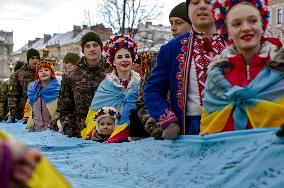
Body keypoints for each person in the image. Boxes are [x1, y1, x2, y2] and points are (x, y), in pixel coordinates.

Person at [144, 0, 226, 139]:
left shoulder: (233, 43)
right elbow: (152, 91)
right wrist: (168, 121)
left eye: (208, 1)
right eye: (195, 2)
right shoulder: (171, 49)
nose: (201, 6)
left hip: (232, 127)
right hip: (191, 129)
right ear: (188, 10)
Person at [200, 0, 284, 134]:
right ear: (227, 31)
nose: (246, 28)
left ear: (262, 25)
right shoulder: (216, 78)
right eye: (237, 24)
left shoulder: (281, 72)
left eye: (252, 21)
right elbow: (208, 129)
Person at [81, 34, 140, 143]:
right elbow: (94, 114)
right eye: (119, 57)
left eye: (127, 56)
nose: (124, 60)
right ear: (113, 61)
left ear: (132, 59)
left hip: (135, 135)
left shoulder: (140, 82)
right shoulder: (106, 85)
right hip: (107, 136)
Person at [52, 32, 112, 137]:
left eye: (95, 45)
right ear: (83, 50)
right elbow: (64, 109)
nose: (91, 49)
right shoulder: (71, 75)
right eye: (87, 46)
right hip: (80, 133)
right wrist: (71, 130)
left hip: (110, 131)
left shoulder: (113, 71)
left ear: (101, 48)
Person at [26, 60, 60, 131]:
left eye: (46, 70)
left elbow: (60, 111)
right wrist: (30, 124)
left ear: (52, 72)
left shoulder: (57, 89)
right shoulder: (33, 91)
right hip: (35, 129)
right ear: (37, 74)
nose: (43, 72)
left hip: (52, 130)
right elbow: (31, 110)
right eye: (40, 71)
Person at [7, 48, 40, 123]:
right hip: (22, 114)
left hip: (39, 113)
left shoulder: (43, 73)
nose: (35, 61)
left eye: (37, 58)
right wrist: (13, 114)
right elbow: (13, 95)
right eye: (32, 58)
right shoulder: (19, 74)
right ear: (28, 60)